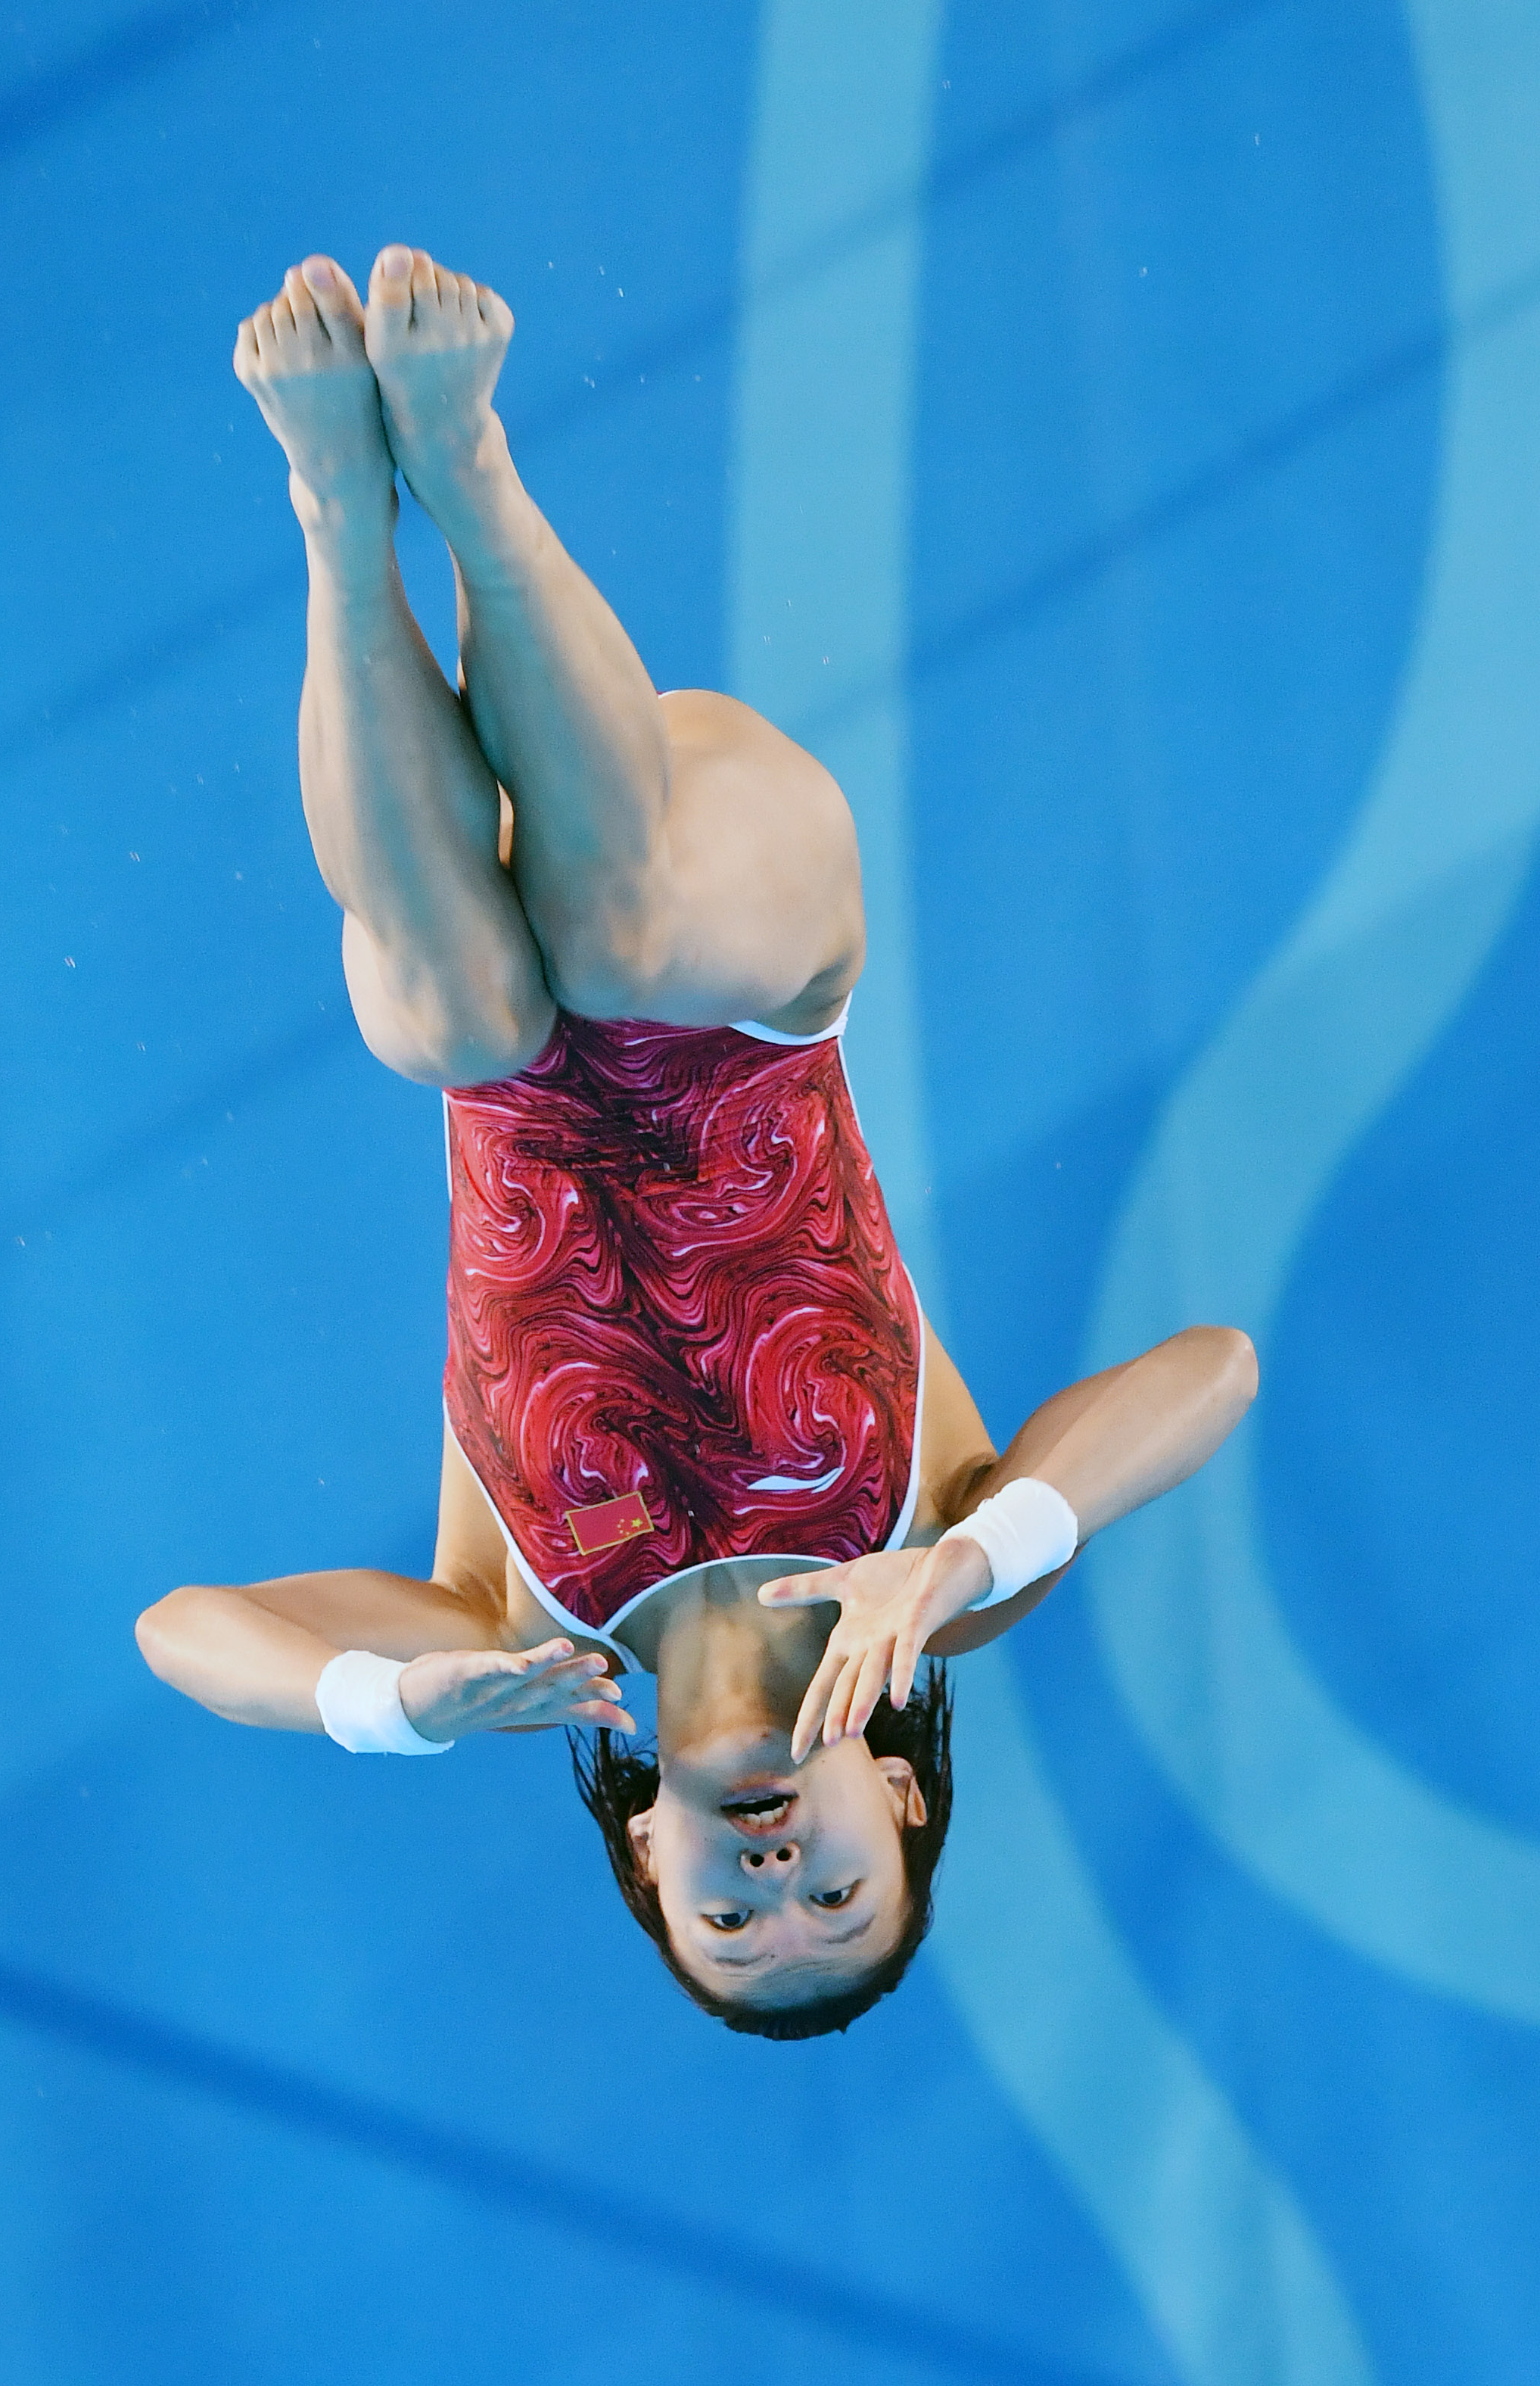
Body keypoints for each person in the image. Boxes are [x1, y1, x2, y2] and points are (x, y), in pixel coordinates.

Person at [135, 246, 1258, 2039]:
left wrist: (392, 1705)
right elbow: (1215, 1369)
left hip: (486, 1009)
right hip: (742, 941)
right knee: (610, 941)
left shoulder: (517, 1637)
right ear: (896, 1801)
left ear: (644, 1858)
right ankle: (468, 461)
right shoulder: (939, 1579)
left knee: (457, 1024)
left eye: (729, 1920)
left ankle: (340, 508)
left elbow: (181, 1632)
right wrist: (971, 1554)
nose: (771, 1878)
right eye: (836, 1891)